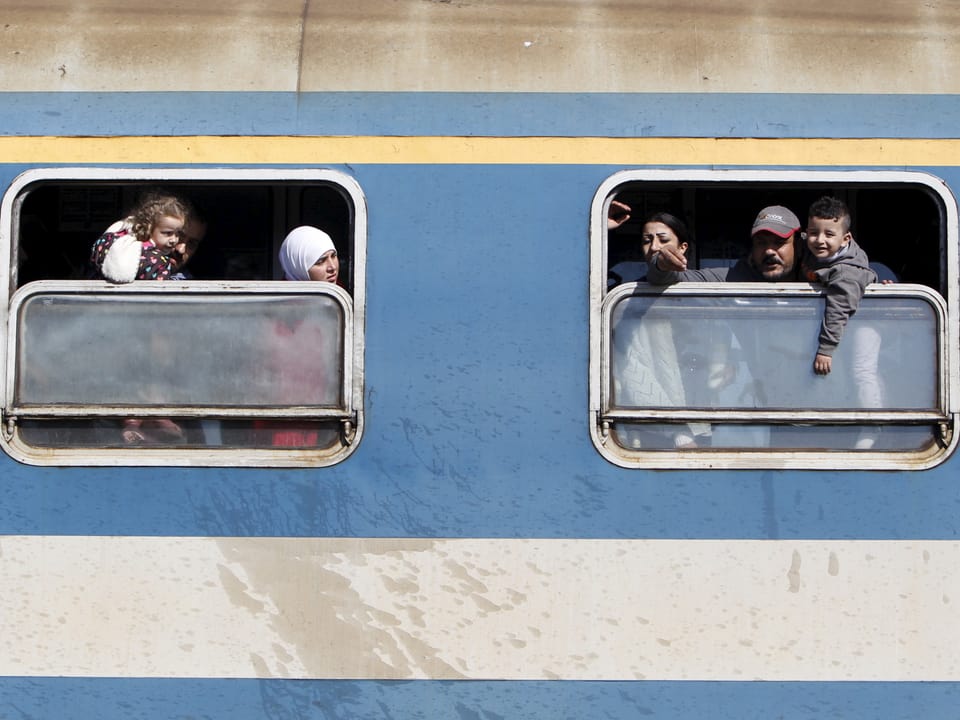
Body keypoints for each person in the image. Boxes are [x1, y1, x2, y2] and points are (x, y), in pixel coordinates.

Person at [614, 212, 711, 448]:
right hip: (660, 434)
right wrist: (678, 432)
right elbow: (632, 372)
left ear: (683, 247)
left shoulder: (702, 289)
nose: (654, 246)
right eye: (647, 240)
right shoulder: (630, 301)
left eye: (663, 239)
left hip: (706, 421)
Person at [255, 226, 342, 448]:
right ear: (299, 266)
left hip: (325, 413)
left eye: (334, 256)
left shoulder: (342, 300)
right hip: (285, 420)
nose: (332, 267)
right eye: (320, 262)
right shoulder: (280, 308)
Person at [802, 196, 878, 375]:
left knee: (862, 372)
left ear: (845, 239)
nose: (820, 240)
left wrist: (825, 350)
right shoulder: (810, 248)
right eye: (813, 233)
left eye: (829, 234)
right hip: (835, 328)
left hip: (861, 324)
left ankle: (870, 404)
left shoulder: (847, 273)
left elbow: (838, 309)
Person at [648, 205, 802, 283]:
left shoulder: (817, 276)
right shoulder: (732, 279)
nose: (769, 251)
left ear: (799, 246)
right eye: (761, 243)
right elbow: (672, 279)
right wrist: (661, 263)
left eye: (779, 243)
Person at [90, 191, 189, 283]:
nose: (174, 240)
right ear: (149, 228)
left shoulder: (112, 242)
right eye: (167, 233)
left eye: (177, 234)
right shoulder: (156, 261)